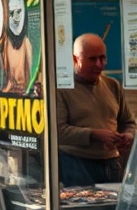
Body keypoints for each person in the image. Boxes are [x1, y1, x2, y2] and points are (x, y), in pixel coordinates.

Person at [56, 33, 136, 185]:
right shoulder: (61, 88)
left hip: (111, 163)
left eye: (103, 58)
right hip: (75, 163)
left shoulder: (112, 85)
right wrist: (94, 135)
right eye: (92, 59)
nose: (99, 64)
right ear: (75, 59)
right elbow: (57, 131)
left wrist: (127, 134)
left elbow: (128, 121)